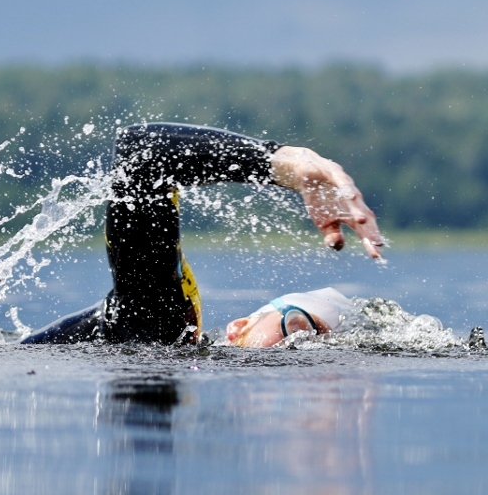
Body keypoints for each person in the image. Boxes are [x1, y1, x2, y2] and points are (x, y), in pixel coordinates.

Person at [21, 123, 384, 347]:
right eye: (300, 327)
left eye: (324, 348)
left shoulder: (178, 349)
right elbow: (143, 151)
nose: (305, 347)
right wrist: (283, 163)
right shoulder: (163, 324)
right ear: (239, 326)